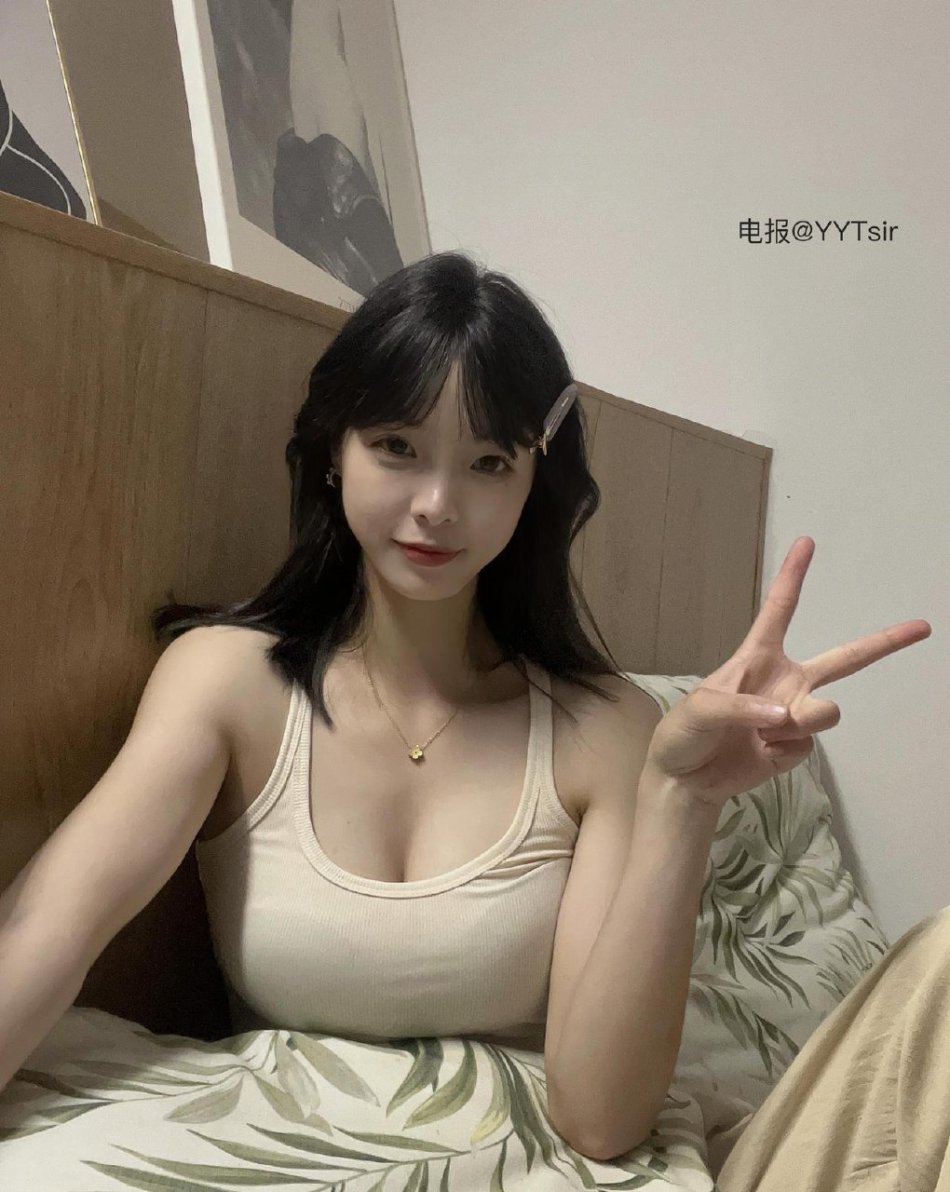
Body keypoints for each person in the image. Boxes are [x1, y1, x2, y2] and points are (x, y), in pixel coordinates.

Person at [0, 252, 937, 1189]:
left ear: (534, 483)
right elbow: (48, 931)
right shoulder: (227, 682)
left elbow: (601, 1119)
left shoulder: (604, 729)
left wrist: (682, 800)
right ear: (334, 450)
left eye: (489, 463)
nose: (438, 506)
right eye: (396, 447)